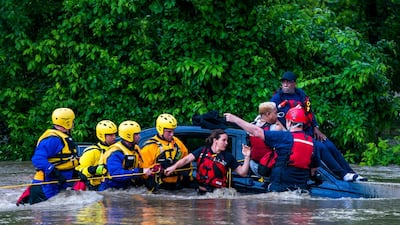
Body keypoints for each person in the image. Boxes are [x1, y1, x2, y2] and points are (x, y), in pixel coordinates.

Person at [270, 71, 366, 182]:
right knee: (320, 147)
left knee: (328, 144)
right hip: (294, 134)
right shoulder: (277, 98)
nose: (285, 85)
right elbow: (273, 117)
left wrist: (316, 128)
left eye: (288, 82)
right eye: (283, 82)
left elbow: (309, 112)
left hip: (307, 131)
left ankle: (351, 173)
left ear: (294, 83)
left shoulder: (301, 95)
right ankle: (342, 174)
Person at [225, 107, 321, 192]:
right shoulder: (312, 142)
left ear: (289, 122)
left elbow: (257, 131)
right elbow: (313, 169)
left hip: (280, 188)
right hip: (301, 189)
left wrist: (234, 119)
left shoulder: (284, 137)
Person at [17, 108, 78, 205]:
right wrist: (54, 172)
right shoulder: (53, 139)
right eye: (72, 121)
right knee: (49, 217)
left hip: (56, 184)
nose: (74, 123)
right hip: (45, 186)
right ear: (67, 123)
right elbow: (38, 159)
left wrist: (75, 173)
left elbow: (65, 160)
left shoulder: (62, 137)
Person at [164, 129, 251, 194]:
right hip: (201, 192)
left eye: (227, 140)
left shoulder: (228, 157)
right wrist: (173, 167)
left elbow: (242, 173)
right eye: (223, 140)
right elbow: (186, 160)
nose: (226, 143)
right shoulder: (202, 151)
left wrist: (247, 156)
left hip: (218, 194)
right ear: (215, 140)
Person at [141, 113, 191, 192]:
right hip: (159, 188)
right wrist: (157, 168)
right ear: (160, 130)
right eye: (169, 132)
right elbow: (144, 173)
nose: (172, 134)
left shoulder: (178, 143)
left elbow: (187, 162)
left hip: (178, 187)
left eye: (173, 131)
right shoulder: (149, 147)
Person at [98, 120, 151, 191]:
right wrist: (139, 171)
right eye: (136, 134)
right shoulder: (115, 152)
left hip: (127, 187)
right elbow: (116, 174)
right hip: (111, 188)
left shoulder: (135, 148)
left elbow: (142, 165)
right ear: (129, 136)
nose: (139, 136)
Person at [75, 120, 118, 190]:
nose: (114, 137)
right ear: (102, 136)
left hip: (113, 185)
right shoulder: (92, 151)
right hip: (96, 187)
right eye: (110, 135)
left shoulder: (117, 149)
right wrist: (92, 170)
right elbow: (79, 171)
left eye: (114, 134)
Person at [249, 102, 284, 177]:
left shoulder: (251, 126)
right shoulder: (276, 128)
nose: (277, 116)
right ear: (268, 114)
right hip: (269, 168)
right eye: (275, 113)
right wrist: (278, 122)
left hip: (253, 165)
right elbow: (289, 137)